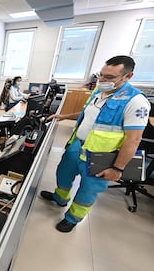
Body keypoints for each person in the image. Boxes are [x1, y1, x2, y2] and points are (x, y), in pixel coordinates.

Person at [41, 55, 151, 232]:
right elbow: (87, 114)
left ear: (128, 76)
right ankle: (60, 198)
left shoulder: (136, 102)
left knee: (88, 189)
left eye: (109, 77)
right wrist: (63, 116)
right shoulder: (99, 92)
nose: (102, 80)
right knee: (63, 174)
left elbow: (134, 140)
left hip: (101, 156)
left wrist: (118, 169)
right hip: (78, 145)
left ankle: (72, 218)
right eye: (101, 75)